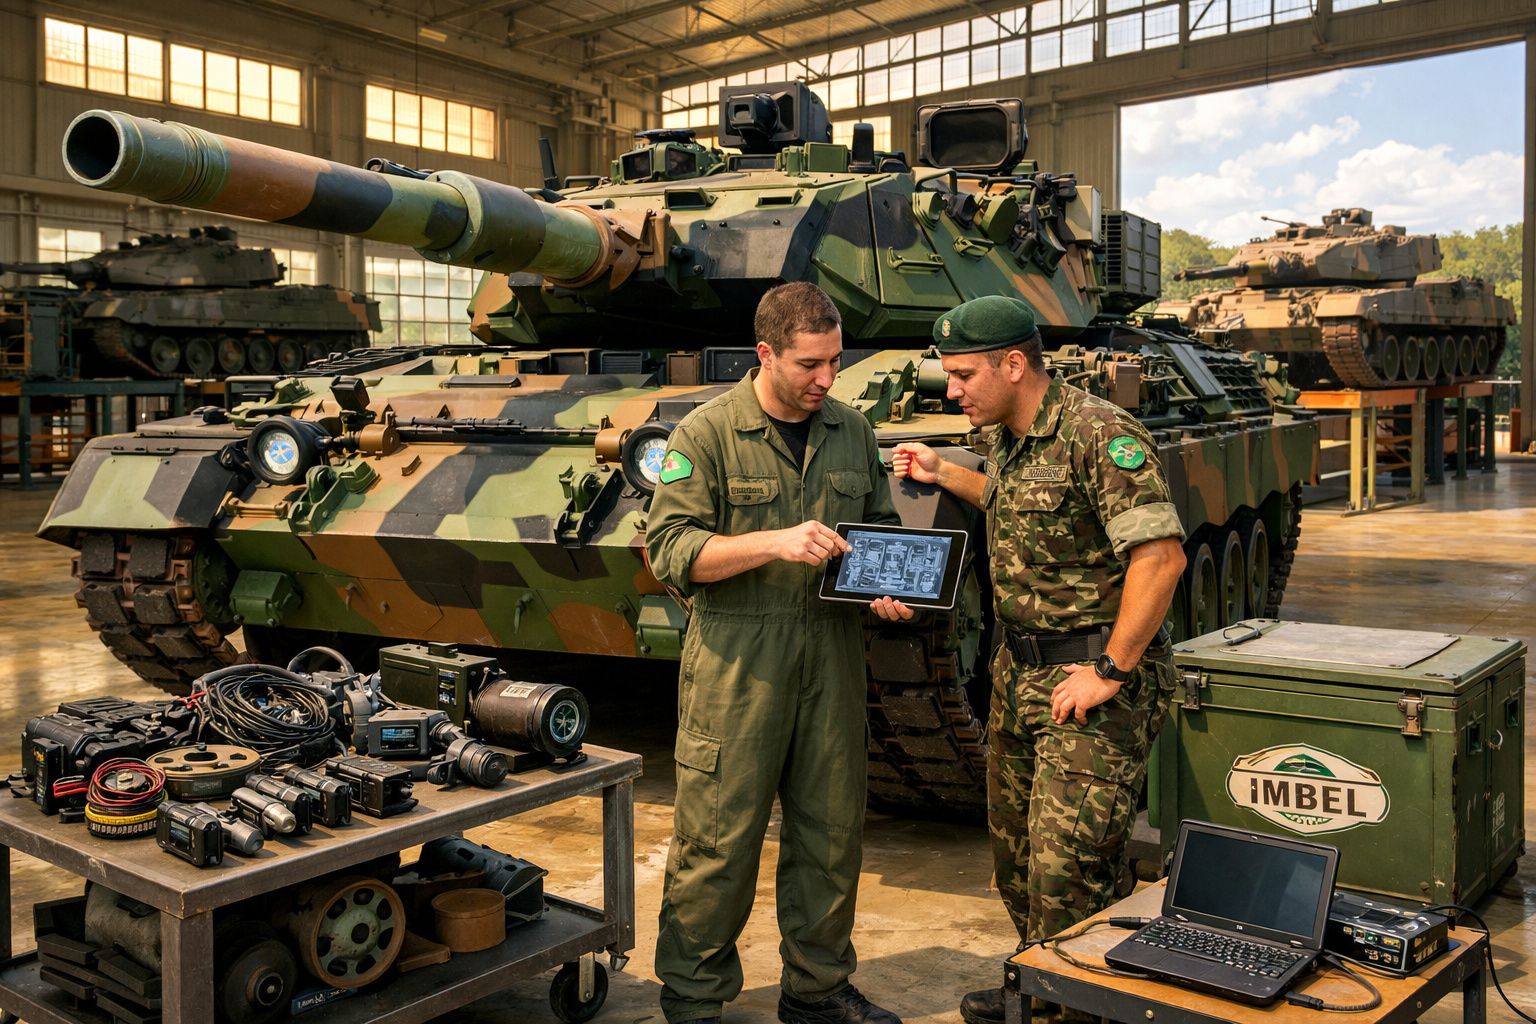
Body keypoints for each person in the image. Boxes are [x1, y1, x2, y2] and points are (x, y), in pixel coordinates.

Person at [872, 295, 1186, 1024]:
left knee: (1068, 864)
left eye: (963, 375)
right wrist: (945, 472)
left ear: (1015, 364)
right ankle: (1046, 990)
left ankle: (1090, 1005)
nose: (952, 391)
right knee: (1017, 860)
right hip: (1020, 677)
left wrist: (1110, 670)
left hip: (1089, 681)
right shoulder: (1008, 436)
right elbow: (1014, 502)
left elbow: (1159, 557)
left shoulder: (1099, 433)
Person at [645, 282, 904, 1024]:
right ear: (765, 355)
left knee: (829, 836)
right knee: (717, 842)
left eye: (835, 362)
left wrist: (885, 587)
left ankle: (817, 990)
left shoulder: (851, 432)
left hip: (831, 658)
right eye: (809, 365)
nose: (827, 379)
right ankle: (694, 1001)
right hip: (736, 666)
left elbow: (879, 528)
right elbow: (670, 551)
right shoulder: (704, 434)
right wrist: (775, 542)